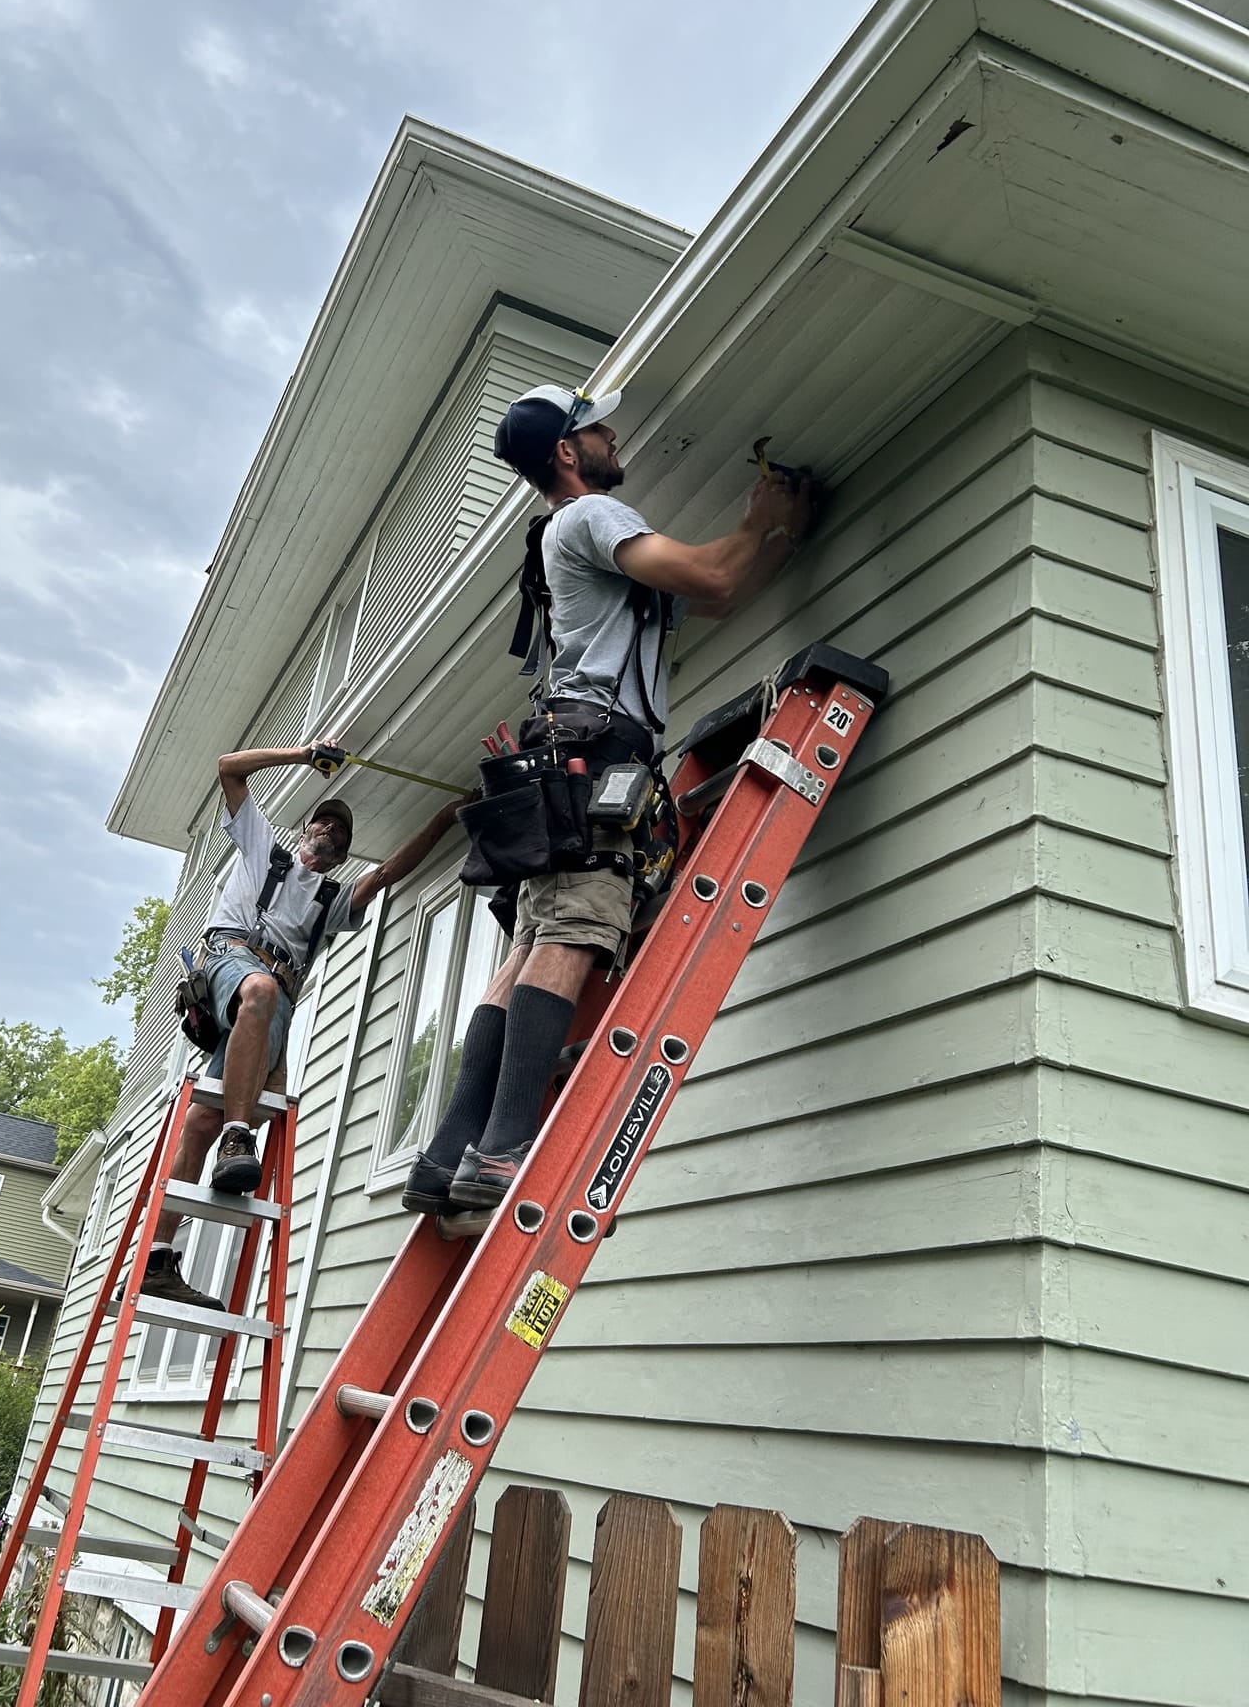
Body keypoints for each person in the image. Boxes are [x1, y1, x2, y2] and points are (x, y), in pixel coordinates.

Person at [403, 382, 819, 1216]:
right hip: (595, 758)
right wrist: (754, 514)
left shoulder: (568, 539)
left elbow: (718, 592)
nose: (614, 436)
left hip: (564, 756)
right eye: (599, 429)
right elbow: (705, 566)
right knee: (573, 931)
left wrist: (778, 539)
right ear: (567, 451)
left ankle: (447, 1154)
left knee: (526, 949)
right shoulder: (590, 518)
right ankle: (501, 1150)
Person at [146, 738, 465, 1307]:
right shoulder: (264, 849)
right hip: (230, 960)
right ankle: (237, 1135)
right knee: (260, 994)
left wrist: (445, 817)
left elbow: (392, 869)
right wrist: (302, 755)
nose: (331, 833)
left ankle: (157, 1261)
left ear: (343, 856)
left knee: (201, 1122)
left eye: (341, 835)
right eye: (323, 823)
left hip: (274, 1004)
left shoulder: (333, 900)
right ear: (302, 832)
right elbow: (226, 766)